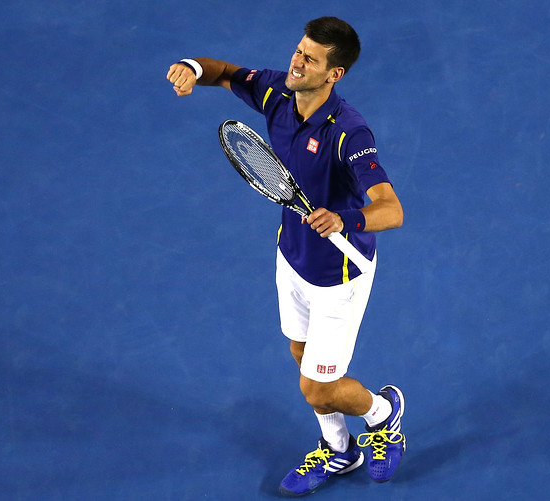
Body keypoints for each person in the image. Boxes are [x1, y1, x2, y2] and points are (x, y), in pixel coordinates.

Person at [166, 17, 406, 497]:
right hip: (292, 256)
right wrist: (191, 67)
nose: (296, 62)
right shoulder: (278, 91)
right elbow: (225, 72)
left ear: (333, 74)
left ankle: (385, 413)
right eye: (298, 50)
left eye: (310, 59)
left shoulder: (350, 133)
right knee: (301, 357)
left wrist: (346, 219)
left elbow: (391, 209)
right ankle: (341, 450)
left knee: (317, 387)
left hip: (339, 273)